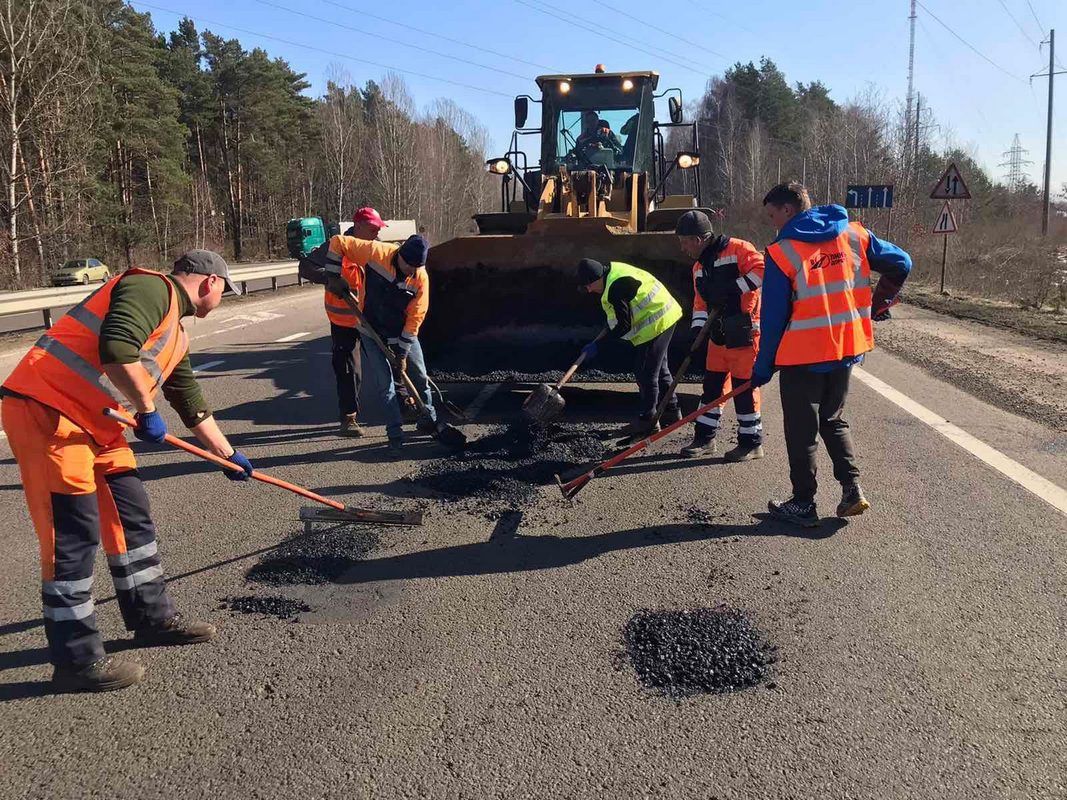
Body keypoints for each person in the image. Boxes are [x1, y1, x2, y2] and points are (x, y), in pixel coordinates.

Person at [0, 250, 255, 692]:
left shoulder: (176, 334)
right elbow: (117, 349)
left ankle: (151, 618)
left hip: (99, 425)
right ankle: (76, 659)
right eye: (224, 290)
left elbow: (190, 402)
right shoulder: (151, 287)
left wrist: (227, 454)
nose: (222, 299)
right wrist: (146, 409)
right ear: (210, 281)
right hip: (50, 413)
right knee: (72, 536)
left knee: (131, 517)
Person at [752, 182, 911, 526]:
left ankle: (803, 503)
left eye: (772, 215)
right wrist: (880, 303)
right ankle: (852, 490)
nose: (772, 223)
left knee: (801, 430)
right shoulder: (854, 235)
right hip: (846, 348)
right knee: (833, 419)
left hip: (803, 356)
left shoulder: (781, 252)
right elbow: (902, 262)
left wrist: (763, 366)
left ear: (788, 210)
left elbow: (773, 317)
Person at [305, 233, 437, 451]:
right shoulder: (377, 253)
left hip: (401, 332)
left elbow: (415, 317)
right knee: (385, 386)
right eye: (409, 266)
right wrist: (333, 276)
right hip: (371, 331)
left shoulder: (419, 277)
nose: (411, 272)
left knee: (420, 376)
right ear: (400, 255)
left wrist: (402, 353)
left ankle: (429, 419)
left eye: (416, 268)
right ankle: (395, 435)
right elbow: (339, 242)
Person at [675, 210, 766, 462]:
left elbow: (762, 270)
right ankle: (705, 438)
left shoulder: (738, 249)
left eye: (684, 242)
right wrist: (697, 332)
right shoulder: (699, 268)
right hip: (717, 335)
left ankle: (751, 443)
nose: (683, 248)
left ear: (698, 239)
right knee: (712, 387)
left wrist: (734, 288)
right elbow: (700, 303)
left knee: (744, 389)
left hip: (743, 333)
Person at [576, 258, 683, 440]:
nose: (589, 290)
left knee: (645, 372)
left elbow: (623, 325)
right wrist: (609, 328)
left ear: (596, 279)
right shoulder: (614, 273)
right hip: (665, 311)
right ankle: (672, 411)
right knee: (659, 369)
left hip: (657, 320)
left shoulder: (616, 289)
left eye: (588, 286)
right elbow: (621, 314)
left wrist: (600, 345)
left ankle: (648, 421)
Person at [322, 207, 387, 438]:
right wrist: (331, 278)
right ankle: (349, 418)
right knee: (349, 370)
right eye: (373, 228)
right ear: (358, 226)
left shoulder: (376, 247)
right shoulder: (334, 246)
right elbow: (306, 267)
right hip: (344, 322)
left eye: (379, 229)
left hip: (371, 318)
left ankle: (404, 403)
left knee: (389, 360)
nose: (377, 233)